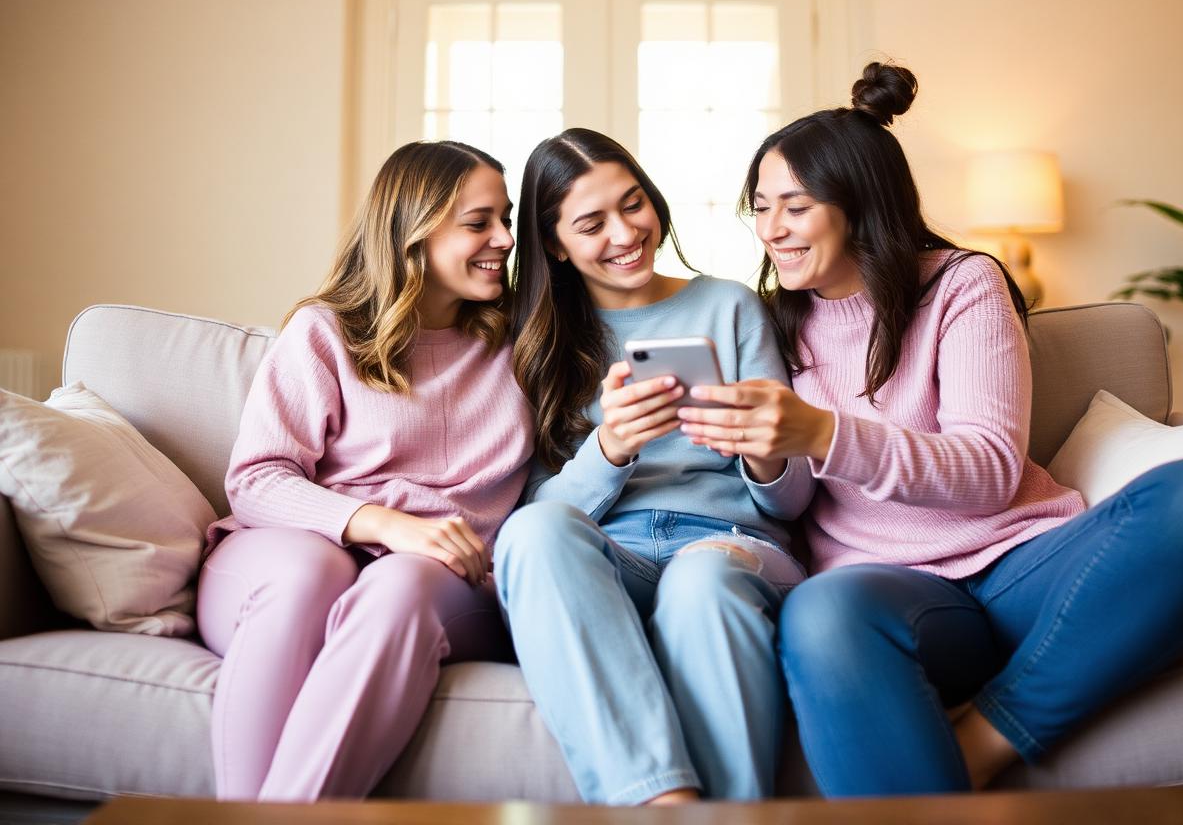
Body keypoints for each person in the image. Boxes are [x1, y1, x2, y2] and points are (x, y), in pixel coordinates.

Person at [677, 63, 1183, 797]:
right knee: (821, 612)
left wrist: (824, 432)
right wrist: (763, 457)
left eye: (795, 205)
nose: (772, 229)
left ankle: (985, 736)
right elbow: (790, 507)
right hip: (896, 597)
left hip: (1023, 568)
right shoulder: (774, 322)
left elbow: (986, 473)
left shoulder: (961, 284)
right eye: (760, 207)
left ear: (860, 201)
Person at [197, 141, 534, 801]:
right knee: (308, 573)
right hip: (289, 557)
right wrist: (380, 522)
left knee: (400, 586)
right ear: (411, 230)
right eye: (478, 222)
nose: (504, 238)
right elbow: (258, 478)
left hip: (442, 578)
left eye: (507, 218)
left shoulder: (522, 341)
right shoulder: (325, 333)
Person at [492, 128, 810, 805]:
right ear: (555, 244)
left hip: (733, 546)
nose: (624, 232)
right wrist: (609, 450)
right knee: (530, 535)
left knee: (701, 581)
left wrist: (761, 449)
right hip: (616, 555)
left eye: (632, 204)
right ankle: (663, 804)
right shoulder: (538, 343)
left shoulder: (730, 306)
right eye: (591, 222)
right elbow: (533, 519)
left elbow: (790, 506)